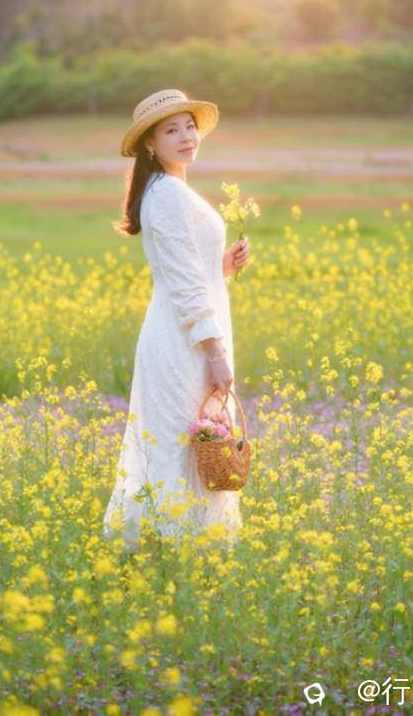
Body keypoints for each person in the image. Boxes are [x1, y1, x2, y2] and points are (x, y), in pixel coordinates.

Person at [102, 88, 250, 553]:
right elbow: (183, 285)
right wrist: (216, 353)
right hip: (185, 341)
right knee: (176, 445)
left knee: (189, 444)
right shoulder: (165, 194)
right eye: (172, 130)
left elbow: (186, 271)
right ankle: (171, 551)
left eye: (189, 126)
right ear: (150, 143)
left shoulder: (172, 190)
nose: (186, 136)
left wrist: (220, 267)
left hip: (193, 334)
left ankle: (182, 551)